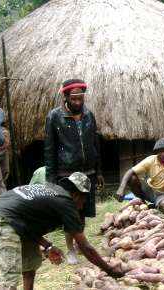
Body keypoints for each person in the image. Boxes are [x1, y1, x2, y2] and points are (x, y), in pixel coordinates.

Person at [0, 172, 124, 290]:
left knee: (30, 262)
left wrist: (48, 246)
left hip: (13, 217)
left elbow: (28, 226)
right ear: (77, 195)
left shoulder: (53, 191)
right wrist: (109, 270)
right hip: (2, 217)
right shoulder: (66, 204)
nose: (82, 207)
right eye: (84, 201)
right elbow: (85, 247)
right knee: (10, 272)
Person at [44, 79, 104, 265]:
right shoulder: (55, 117)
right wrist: (51, 179)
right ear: (66, 97)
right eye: (74, 99)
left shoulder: (89, 115)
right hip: (67, 173)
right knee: (70, 213)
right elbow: (49, 149)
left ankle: (80, 243)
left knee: (83, 212)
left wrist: (99, 170)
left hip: (88, 171)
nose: (78, 103)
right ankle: (70, 249)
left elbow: (95, 144)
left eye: (80, 98)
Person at [115, 138, 164, 212]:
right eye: (160, 151)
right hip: (150, 191)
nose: (163, 154)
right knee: (132, 178)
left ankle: (159, 203)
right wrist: (121, 188)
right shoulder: (150, 160)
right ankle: (143, 204)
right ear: (157, 152)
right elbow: (130, 171)